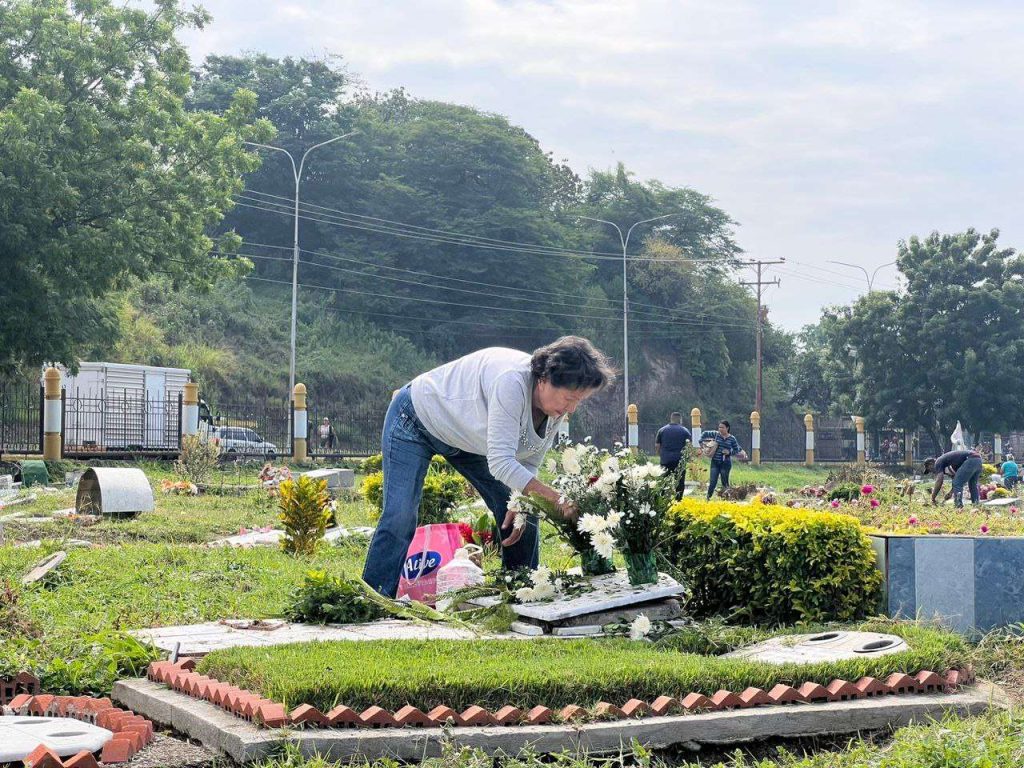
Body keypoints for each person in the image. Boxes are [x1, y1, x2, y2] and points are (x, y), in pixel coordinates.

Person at [362, 336, 616, 598]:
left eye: (579, 400)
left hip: (468, 440)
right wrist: (557, 499)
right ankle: (374, 600)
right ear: (544, 379)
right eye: (569, 398)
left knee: (523, 509)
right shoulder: (511, 382)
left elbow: (529, 461)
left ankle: (521, 590)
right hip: (415, 419)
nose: (571, 409)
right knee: (400, 515)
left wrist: (520, 501)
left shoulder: (554, 409)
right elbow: (501, 462)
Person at [700, 420, 746, 500]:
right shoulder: (716, 434)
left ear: (727, 428)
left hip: (725, 464)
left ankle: (726, 499)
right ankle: (708, 498)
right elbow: (704, 433)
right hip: (715, 462)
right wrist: (701, 441)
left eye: (722, 427)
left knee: (725, 482)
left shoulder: (732, 439)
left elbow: (737, 449)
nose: (720, 429)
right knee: (712, 482)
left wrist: (729, 452)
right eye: (719, 427)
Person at [655, 412, 692, 500]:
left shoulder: (662, 430)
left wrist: (660, 454)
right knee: (679, 481)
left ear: (671, 419)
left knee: (663, 481)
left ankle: (662, 499)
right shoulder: (685, 431)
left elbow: (657, 445)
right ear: (680, 420)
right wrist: (688, 457)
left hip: (665, 460)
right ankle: (678, 500)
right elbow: (689, 446)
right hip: (679, 461)